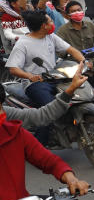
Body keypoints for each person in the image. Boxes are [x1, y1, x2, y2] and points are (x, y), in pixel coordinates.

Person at [5, 10, 88, 144]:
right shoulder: (23, 43)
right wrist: (30, 76)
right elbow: (13, 68)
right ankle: (40, 144)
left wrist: (83, 62)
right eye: (50, 21)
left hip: (55, 77)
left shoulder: (51, 37)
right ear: (43, 25)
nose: (52, 23)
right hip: (35, 84)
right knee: (49, 110)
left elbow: (71, 50)